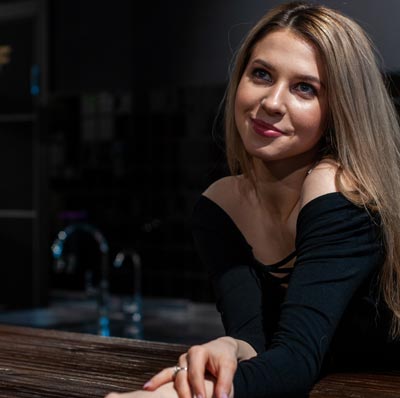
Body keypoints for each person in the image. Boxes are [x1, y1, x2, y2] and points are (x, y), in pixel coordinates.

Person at [106, 1, 400, 397]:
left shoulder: (338, 187)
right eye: (261, 74)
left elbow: (296, 362)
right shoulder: (221, 206)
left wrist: (166, 396)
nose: (273, 103)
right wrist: (231, 347)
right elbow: (258, 341)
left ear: (337, 110)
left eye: (304, 88)